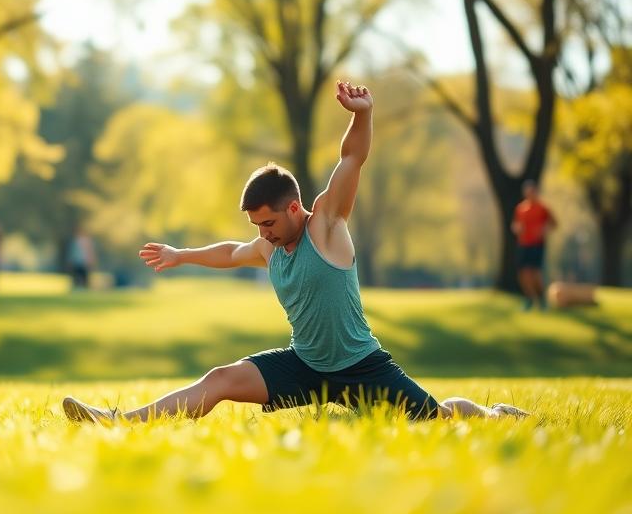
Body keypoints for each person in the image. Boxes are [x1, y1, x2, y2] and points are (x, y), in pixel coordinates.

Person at [62, 81, 531, 425]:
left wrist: (362, 115)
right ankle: (117, 421)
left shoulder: (326, 226)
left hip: (362, 367)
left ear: (293, 207)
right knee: (221, 378)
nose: (262, 234)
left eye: (268, 222)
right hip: (305, 365)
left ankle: (495, 415)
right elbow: (231, 252)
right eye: (256, 226)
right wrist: (180, 255)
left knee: (439, 420)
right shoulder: (269, 246)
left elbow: (352, 161)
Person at [511, 181, 556, 311]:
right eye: (527, 192)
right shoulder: (520, 209)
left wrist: (544, 229)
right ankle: (529, 298)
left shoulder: (543, 208)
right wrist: (516, 228)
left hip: (537, 244)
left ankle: (541, 299)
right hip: (523, 244)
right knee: (523, 274)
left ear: (536, 192)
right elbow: (515, 225)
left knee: (535, 273)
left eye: (532, 191)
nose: (530, 194)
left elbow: (553, 224)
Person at [68, 225, 97, 290]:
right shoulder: (75, 241)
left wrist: (91, 260)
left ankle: (85, 288)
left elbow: (90, 252)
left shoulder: (87, 241)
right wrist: (71, 261)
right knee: (76, 276)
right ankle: (76, 288)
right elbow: (73, 253)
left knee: (85, 277)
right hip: (77, 262)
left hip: (84, 262)